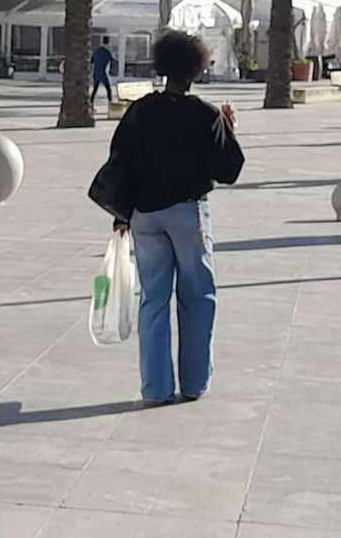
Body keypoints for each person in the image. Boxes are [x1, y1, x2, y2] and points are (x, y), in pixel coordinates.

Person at [107, 30, 244, 404]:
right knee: (197, 295)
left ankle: (155, 387)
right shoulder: (205, 114)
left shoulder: (140, 111)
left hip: (144, 214)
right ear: (197, 70)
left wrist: (121, 213)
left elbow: (120, 161)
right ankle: (195, 382)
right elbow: (229, 169)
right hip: (186, 212)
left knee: (153, 298)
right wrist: (228, 128)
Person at [91, 37, 115, 105]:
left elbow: (92, 61)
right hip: (103, 73)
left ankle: (91, 103)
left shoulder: (97, 51)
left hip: (96, 73)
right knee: (108, 89)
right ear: (108, 42)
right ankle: (110, 103)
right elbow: (113, 61)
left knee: (95, 89)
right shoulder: (108, 52)